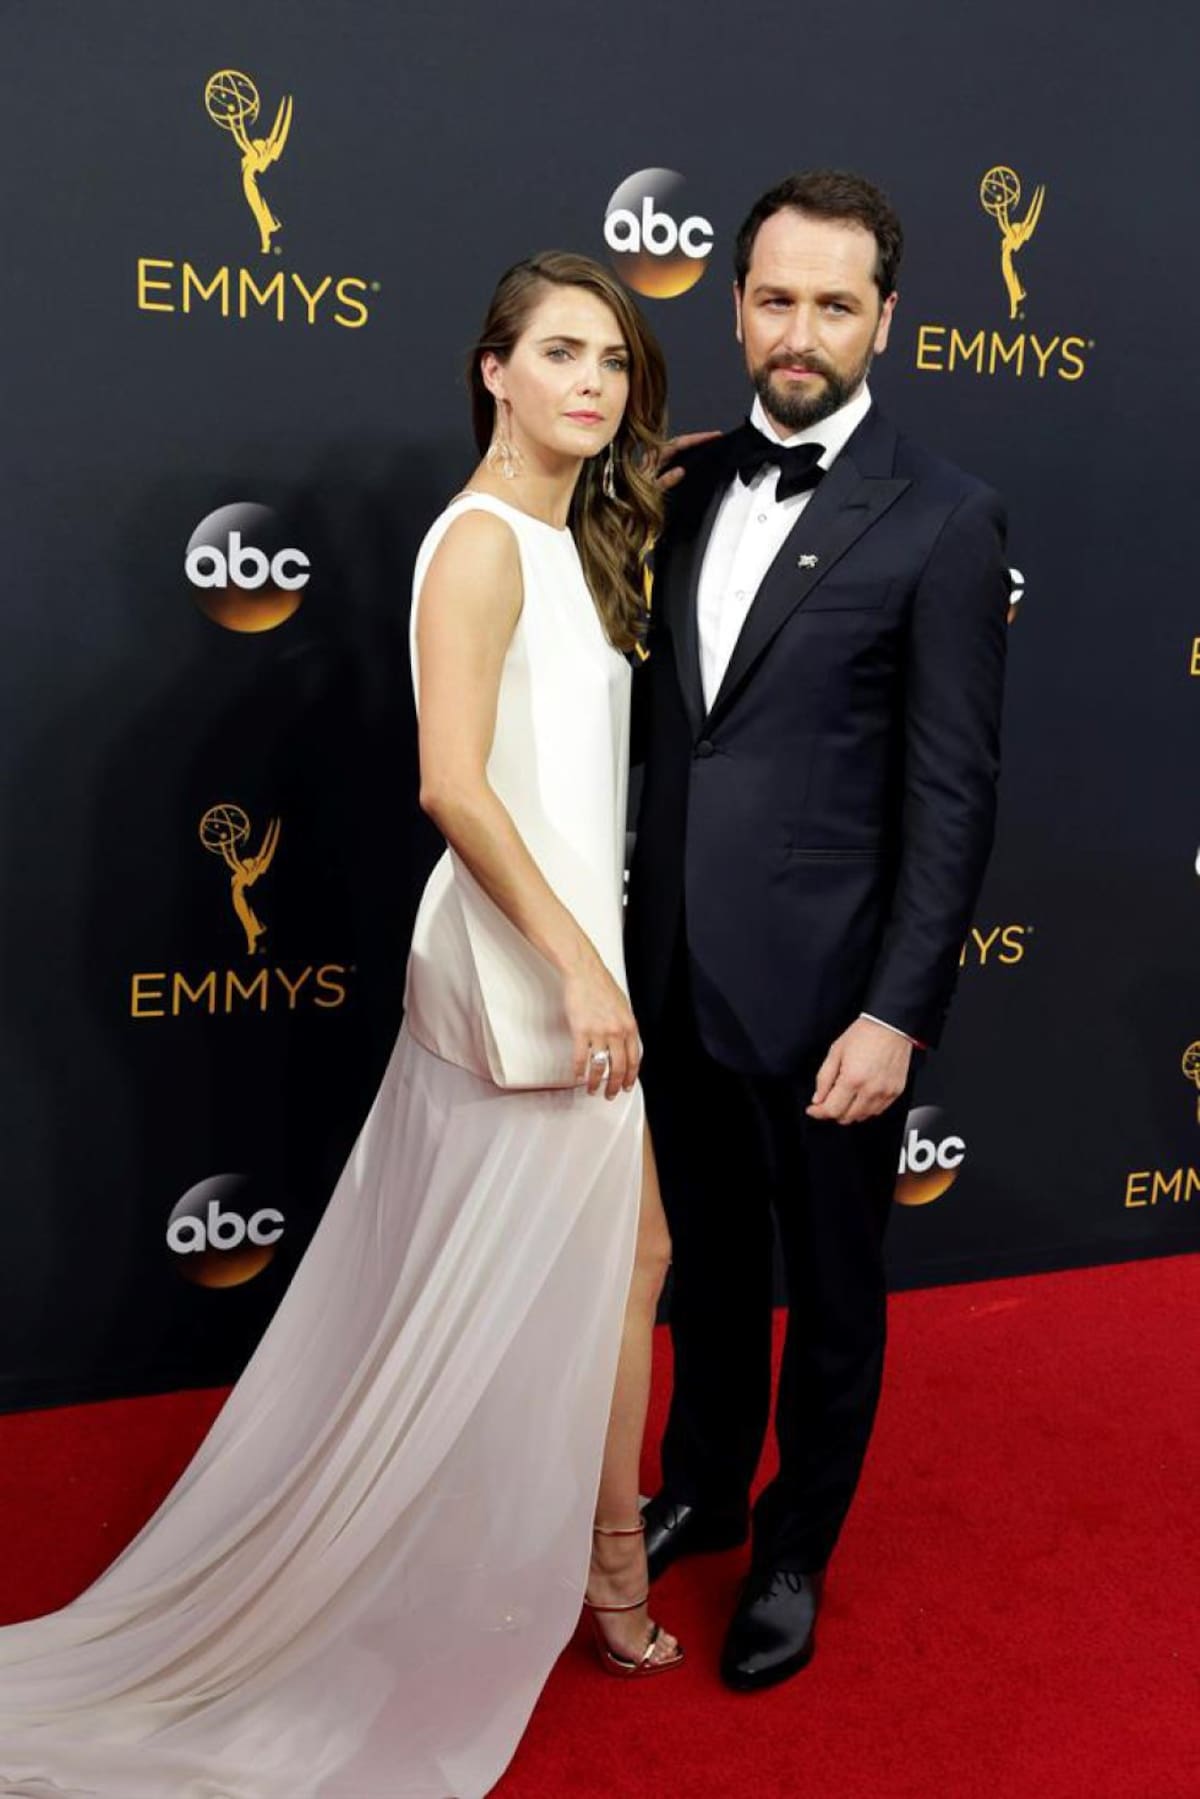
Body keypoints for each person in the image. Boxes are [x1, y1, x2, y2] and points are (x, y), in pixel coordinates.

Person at [0, 250, 678, 1799]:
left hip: (563, 944)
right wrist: (580, 965)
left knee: (621, 1261)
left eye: (619, 362)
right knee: (594, 1265)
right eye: (561, 351)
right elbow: (453, 782)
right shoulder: (487, 547)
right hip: (533, 957)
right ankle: (604, 1581)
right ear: (490, 371)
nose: (594, 381)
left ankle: (589, 1563)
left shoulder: (572, 544)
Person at [627, 170, 1009, 1692]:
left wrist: (897, 1011)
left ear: (887, 322)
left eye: (833, 304)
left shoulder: (949, 518)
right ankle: (708, 1485)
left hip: (838, 1001)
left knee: (835, 1293)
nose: (801, 332)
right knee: (705, 1267)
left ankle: (794, 1545)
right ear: (734, 308)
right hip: (671, 977)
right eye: (774, 299)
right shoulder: (678, 483)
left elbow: (954, 795)